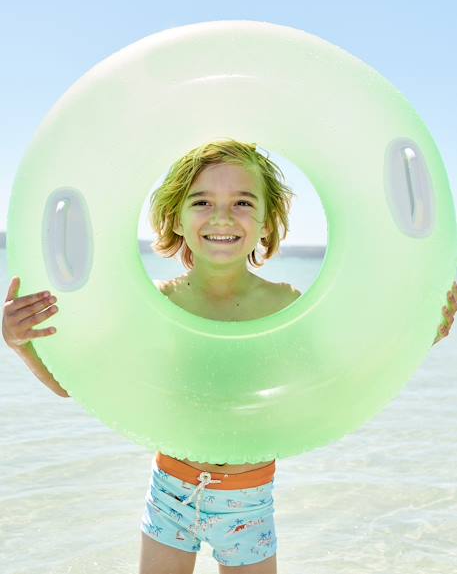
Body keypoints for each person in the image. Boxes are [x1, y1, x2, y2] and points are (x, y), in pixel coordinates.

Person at [2, 139, 457, 574]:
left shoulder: (285, 308)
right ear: (175, 218)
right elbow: (77, 383)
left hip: (250, 496)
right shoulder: (156, 307)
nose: (222, 216)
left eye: (242, 202)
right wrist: (24, 345)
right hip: (171, 492)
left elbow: (341, 379)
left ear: (265, 221)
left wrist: (416, 339)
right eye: (201, 202)